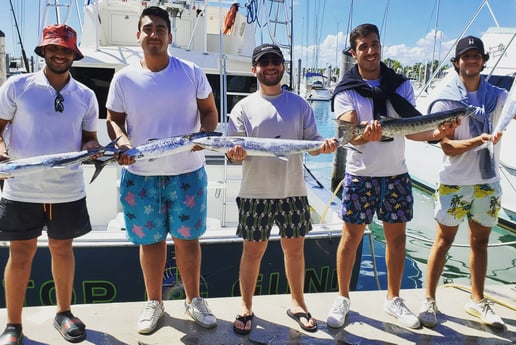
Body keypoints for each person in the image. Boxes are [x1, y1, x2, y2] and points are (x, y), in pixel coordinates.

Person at [326, 23, 453, 329]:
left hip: (396, 174)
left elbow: (412, 130)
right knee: (350, 238)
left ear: (381, 46)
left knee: (397, 241)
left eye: (374, 44)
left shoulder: (401, 85)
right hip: (360, 175)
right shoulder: (346, 91)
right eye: (363, 47)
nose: (370, 51)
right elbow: (350, 134)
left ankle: (393, 298)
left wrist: (438, 133)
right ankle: (342, 297)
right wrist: (364, 136)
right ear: (354, 53)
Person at [105, 6, 219, 334]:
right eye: (148, 29)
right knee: (151, 242)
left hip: (187, 171)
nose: (154, 34)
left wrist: (206, 135)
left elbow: (209, 111)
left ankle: (193, 299)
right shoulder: (124, 78)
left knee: (188, 240)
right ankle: (154, 302)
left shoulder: (191, 71)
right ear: (138, 35)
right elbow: (114, 119)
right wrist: (122, 141)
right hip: (140, 174)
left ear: (170, 36)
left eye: (160, 29)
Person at [417, 35, 516, 329]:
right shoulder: (446, 98)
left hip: (487, 181)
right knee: (443, 241)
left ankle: (478, 300)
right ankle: (429, 300)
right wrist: (477, 141)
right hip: (454, 182)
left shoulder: (497, 96)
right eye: (466, 56)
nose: (471, 60)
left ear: (483, 61)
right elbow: (446, 147)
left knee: (480, 243)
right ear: (457, 63)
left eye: (476, 55)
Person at [226, 43, 337, 335]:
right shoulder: (243, 107)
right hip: (255, 193)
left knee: (295, 251)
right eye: (264, 62)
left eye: (276, 61)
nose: (271, 66)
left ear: (283, 66)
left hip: (293, 190)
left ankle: (298, 304)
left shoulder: (300, 104)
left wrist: (322, 147)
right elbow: (231, 149)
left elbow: (311, 144)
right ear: (254, 69)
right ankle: (246, 306)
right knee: (252, 252)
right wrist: (233, 153)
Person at [0, 24, 101, 344]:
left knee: (62, 249)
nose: (60, 54)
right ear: (43, 50)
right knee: (20, 254)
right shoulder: (17, 86)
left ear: (74, 54)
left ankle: (64, 312)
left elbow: (89, 139)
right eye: (54, 48)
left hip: (67, 189)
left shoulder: (85, 95)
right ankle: (13, 325)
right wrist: (2, 155)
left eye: (66, 50)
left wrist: (93, 151)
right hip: (22, 188)